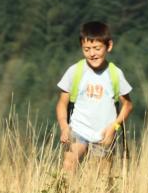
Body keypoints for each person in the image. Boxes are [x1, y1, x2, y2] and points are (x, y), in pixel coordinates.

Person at [56, 20, 133, 171]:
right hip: (78, 129)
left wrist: (114, 127)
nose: (92, 54)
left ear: (108, 46)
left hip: (104, 134)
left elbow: (128, 105)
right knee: (69, 166)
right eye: (87, 49)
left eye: (97, 48)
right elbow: (62, 103)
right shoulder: (75, 71)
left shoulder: (115, 74)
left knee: (101, 177)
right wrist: (64, 126)